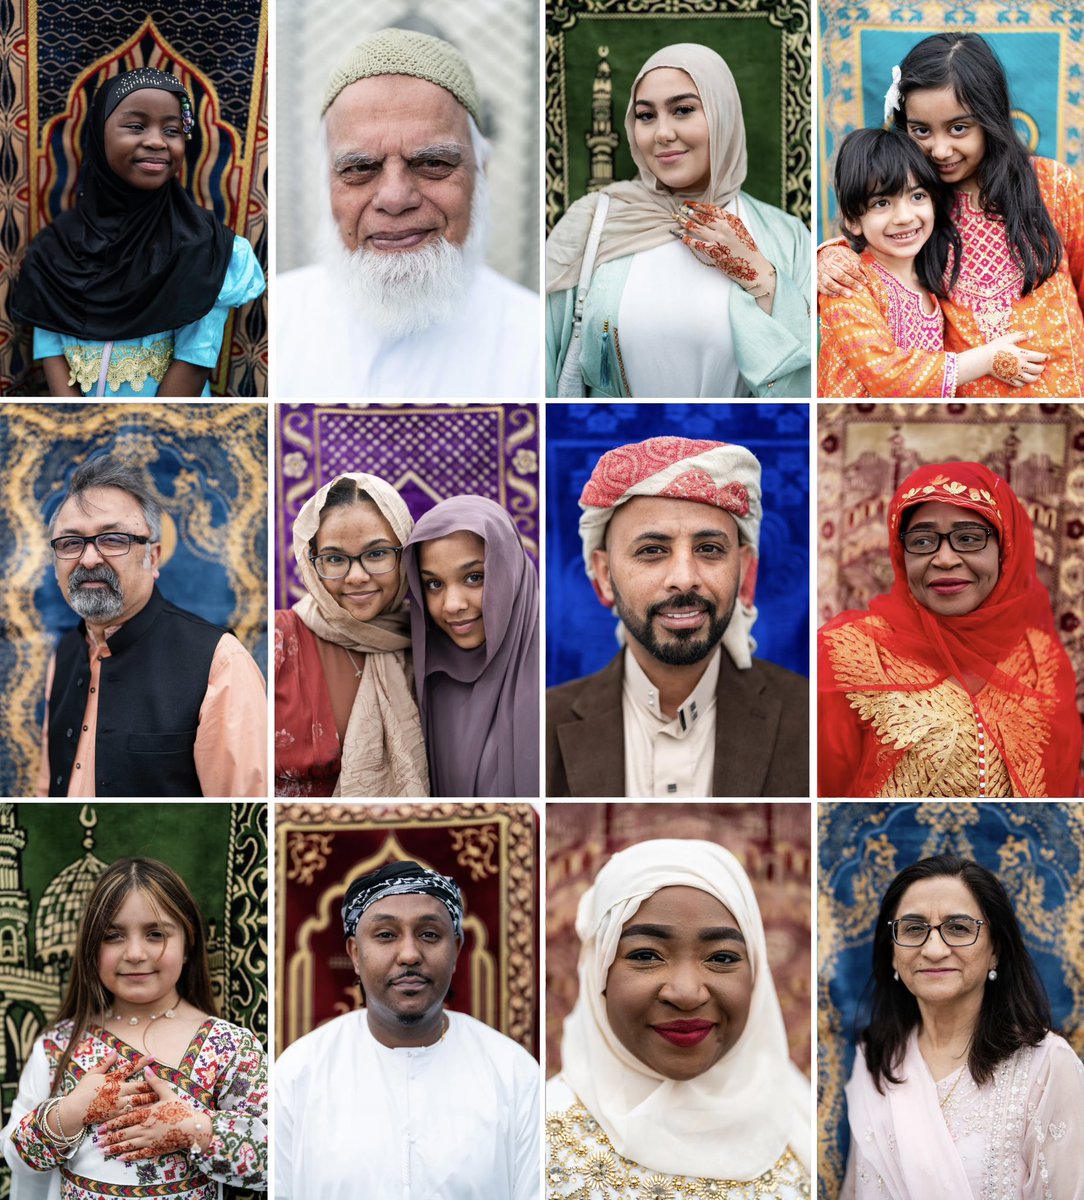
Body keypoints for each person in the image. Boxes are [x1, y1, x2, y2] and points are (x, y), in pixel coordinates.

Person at [275, 27, 539, 398]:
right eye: (359, 168)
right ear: (327, 183)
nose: (395, 198)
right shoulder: (272, 320)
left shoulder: (537, 343)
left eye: (432, 162)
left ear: (482, 171)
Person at [818, 33, 1084, 397]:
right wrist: (829, 254)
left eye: (959, 128)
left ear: (990, 120)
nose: (940, 150)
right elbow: (874, 255)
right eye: (921, 130)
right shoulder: (919, 207)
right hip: (968, 412)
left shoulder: (1052, 186)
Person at [546, 436, 808, 796]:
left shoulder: (810, 717)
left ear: (744, 569)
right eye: (652, 550)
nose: (684, 579)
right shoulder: (541, 725)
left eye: (709, 549)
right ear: (605, 575)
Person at [547, 838, 811, 1196]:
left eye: (721, 958)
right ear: (599, 974)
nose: (686, 993)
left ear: (756, 977)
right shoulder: (536, 1135)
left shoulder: (805, 1121)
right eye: (645, 955)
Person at [546, 43, 810, 398]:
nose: (662, 133)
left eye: (683, 110)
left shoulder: (786, 235)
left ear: (723, 115)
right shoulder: (595, 221)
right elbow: (541, 357)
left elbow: (816, 369)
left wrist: (757, 273)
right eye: (646, 116)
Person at [1, 857, 267, 1199]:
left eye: (155, 934)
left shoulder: (230, 1046)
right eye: (113, 936)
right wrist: (70, 1113)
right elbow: (15, 1156)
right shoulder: (59, 1045)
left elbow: (274, 1158)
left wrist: (192, 1129)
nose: (136, 953)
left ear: (188, 944)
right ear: (91, 948)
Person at [274, 859, 540, 1199]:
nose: (410, 955)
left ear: (456, 950)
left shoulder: (512, 1073)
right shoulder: (300, 1072)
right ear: (355, 953)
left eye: (429, 935)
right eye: (386, 935)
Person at [819, 461, 1081, 797]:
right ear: (902, 553)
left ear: (1005, 550)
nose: (944, 559)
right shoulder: (847, 653)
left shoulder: (1041, 659)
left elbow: (1063, 790)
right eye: (924, 541)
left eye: (968, 538)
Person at [841, 853, 1084, 1197]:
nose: (935, 949)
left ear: (995, 950)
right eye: (914, 929)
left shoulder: (1045, 1067)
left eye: (958, 928)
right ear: (893, 952)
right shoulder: (876, 1061)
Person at [12, 67, 265, 397]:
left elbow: (195, 359)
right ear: (99, 136)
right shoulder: (54, 249)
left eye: (172, 130)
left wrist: (140, 441)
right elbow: (51, 349)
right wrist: (84, 430)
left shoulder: (205, 246)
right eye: (136, 126)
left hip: (166, 432)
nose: (157, 141)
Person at [37, 455, 266, 798]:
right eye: (71, 543)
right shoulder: (65, 653)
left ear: (153, 557)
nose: (88, 558)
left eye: (113, 539)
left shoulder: (219, 662)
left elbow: (246, 799)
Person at [819, 127, 1046, 396]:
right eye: (881, 203)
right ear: (853, 220)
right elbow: (887, 376)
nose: (904, 216)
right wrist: (986, 360)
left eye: (917, 196)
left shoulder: (931, 276)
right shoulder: (847, 283)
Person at [274, 472, 428, 797]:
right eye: (334, 559)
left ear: (404, 555)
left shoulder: (433, 641)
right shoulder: (279, 643)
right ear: (311, 561)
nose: (356, 577)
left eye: (376, 554)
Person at [403, 495, 539, 797]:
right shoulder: (416, 677)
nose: (452, 605)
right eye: (434, 584)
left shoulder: (556, 675)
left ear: (509, 570)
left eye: (474, 577)